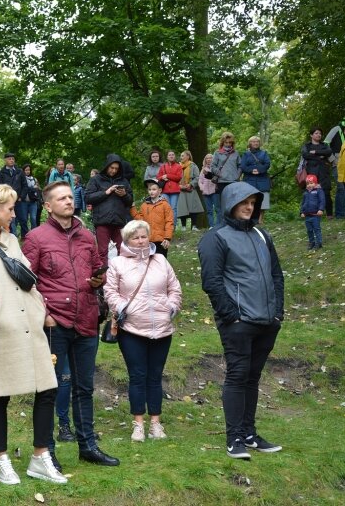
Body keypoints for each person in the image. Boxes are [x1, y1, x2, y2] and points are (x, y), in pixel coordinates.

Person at [0, 184, 66, 485]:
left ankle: (40, 457)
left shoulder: (12, 240)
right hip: (0, 330)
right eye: (10, 208)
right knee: (0, 393)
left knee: (47, 387)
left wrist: (40, 309)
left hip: (31, 326)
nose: (14, 213)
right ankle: (2, 460)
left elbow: (26, 279)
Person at [22, 181, 120, 470]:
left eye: (69, 196)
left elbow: (98, 268)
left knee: (84, 388)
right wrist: (44, 315)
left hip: (87, 318)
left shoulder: (88, 236)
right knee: (49, 388)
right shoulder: (35, 238)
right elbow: (27, 283)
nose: (68, 201)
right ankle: (46, 451)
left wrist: (98, 280)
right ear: (48, 206)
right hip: (55, 321)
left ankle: (87, 445)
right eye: (60, 198)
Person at [198, 182, 284, 460]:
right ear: (230, 203)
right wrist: (231, 316)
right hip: (238, 322)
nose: (249, 207)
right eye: (243, 202)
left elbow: (276, 276)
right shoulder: (216, 238)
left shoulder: (262, 235)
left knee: (252, 377)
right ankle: (234, 436)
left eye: (253, 202)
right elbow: (211, 282)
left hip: (266, 321)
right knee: (237, 375)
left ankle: (249, 433)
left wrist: (277, 313)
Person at [104, 219, 182, 442]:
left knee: (155, 377)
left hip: (162, 328)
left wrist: (172, 307)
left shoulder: (161, 261)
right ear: (127, 240)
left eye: (143, 236)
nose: (140, 241)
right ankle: (138, 424)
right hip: (131, 329)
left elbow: (174, 288)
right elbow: (110, 292)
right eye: (135, 237)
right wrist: (121, 307)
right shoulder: (117, 263)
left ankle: (156, 423)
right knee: (137, 376)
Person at [85, 153, 134, 263]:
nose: (114, 171)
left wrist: (124, 195)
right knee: (102, 252)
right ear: (107, 166)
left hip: (119, 221)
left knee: (123, 251)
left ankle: (123, 277)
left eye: (116, 168)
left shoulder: (124, 181)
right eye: (112, 168)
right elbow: (88, 198)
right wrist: (106, 192)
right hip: (102, 221)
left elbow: (130, 202)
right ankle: (104, 278)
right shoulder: (96, 180)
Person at [130, 179, 173, 257]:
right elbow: (140, 221)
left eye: (154, 189)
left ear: (160, 190)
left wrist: (167, 238)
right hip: (148, 240)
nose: (151, 191)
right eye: (149, 189)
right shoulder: (144, 205)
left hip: (161, 240)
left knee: (160, 262)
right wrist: (132, 208)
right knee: (148, 262)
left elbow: (169, 222)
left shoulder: (165, 205)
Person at [301, 127, 334, 217]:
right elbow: (305, 155)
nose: (318, 135)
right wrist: (320, 156)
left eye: (320, 133)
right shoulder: (306, 146)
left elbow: (329, 152)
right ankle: (310, 213)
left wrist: (315, 152)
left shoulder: (324, 145)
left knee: (326, 192)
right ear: (311, 135)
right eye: (316, 133)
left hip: (324, 172)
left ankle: (329, 215)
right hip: (311, 173)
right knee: (311, 193)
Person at [0, 153, 29, 237]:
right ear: (5, 160)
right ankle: (10, 237)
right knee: (9, 219)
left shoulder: (19, 171)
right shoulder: (1, 173)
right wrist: (4, 198)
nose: (11, 160)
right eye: (9, 159)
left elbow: (25, 185)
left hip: (19, 200)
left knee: (23, 219)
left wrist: (21, 197)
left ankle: (25, 238)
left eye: (13, 159)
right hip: (7, 201)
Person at [240, 136, 272, 224]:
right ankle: (251, 219)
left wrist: (259, 170)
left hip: (262, 179)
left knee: (263, 199)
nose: (255, 143)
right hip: (249, 180)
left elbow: (267, 164)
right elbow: (243, 166)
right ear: (250, 143)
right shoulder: (246, 154)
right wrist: (251, 170)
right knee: (250, 199)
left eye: (257, 141)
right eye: (253, 142)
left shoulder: (264, 153)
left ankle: (260, 219)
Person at [176, 150, 204, 230]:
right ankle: (183, 226)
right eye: (181, 156)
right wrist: (179, 186)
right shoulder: (178, 166)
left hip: (190, 189)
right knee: (182, 208)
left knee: (193, 207)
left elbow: (197, 177)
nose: (181, 157)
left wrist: (191, 184)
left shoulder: (193, 166)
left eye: (182, 155)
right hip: (181, 190)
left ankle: (194, 226)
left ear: (188, 156)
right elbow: (175, 178)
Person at [211, 132, 242, 197]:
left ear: (232, 143)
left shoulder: (236, 153)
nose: (228, 144)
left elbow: (240, 165)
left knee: (233, 202)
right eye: (226, 142)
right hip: (222, 181)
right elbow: (213, 166)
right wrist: (219, 173)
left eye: (230, 142)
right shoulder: (217, 153)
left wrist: (237, 175)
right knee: (223, 202)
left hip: (233, 181)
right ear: (222, 142)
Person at [157, 150, 182, 228]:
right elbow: (158, 177)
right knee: (166, 208)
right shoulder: (163, 166)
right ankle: (166, 226)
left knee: (173, 208)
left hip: (175, 191)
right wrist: (163, 177)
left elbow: (178, 177)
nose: (171, 156)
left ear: (174, 156)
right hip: (165, 190)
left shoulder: (178, 166)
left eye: (173, 155)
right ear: (167, 157)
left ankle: (173, 226)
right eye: (169, 155)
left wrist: (167, 175)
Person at [300, 175, 325, 250]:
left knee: (316, 229)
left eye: (311, 183)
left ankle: (319, 243)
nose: (309, 185)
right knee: (309, 230)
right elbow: (303, 203)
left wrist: (321, 209)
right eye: (307, 184)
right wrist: (302, 212)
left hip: (315, 214)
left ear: (315, 183)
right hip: (307, 215)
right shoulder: (305, 193)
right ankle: (312, 242)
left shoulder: (318, 191)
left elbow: (322, 200)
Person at [198, 154, 219, 227]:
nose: (209, 159)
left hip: (214, 191)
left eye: (210, 158)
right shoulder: (203, 169)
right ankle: (211, 226)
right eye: (207, 158)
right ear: (205, 160)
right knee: (209, 210)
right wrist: (202, 187)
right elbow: (200, 180)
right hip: (205, 192)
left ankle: (218, 225)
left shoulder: (216, 168)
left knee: (217, 209)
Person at [22, 165, 41, 231]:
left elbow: (39, 188)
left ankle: (34, 233)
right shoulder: (21, 179)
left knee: (33, 218)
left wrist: (37, 188)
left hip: (33, 201)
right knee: (24, 219)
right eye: (26, 170)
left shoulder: (34, 179)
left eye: (29, 170)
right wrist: (32, 188)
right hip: (24, 201)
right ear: (23, 171)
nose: (27, 171)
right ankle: (25, 234)